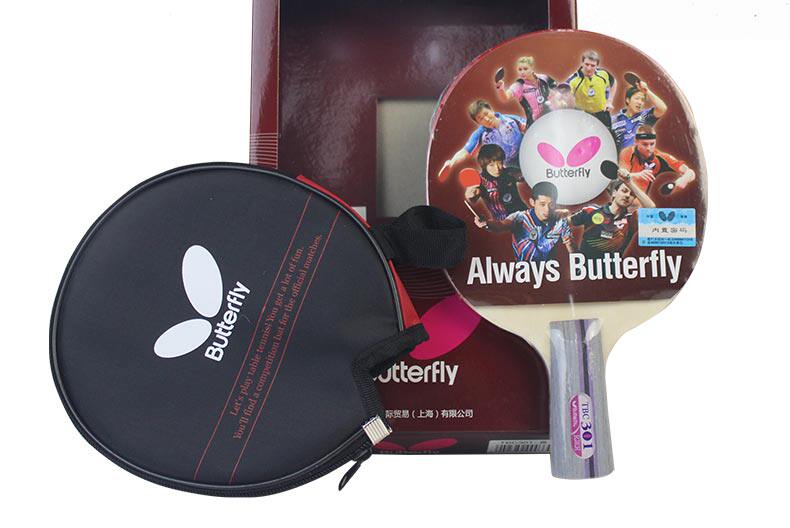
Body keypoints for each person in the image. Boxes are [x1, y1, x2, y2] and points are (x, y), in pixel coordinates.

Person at [474, 181, 573, 262]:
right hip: (525, 275)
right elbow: (501, 225)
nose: (547, 209)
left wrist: (571, 245)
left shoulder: (561, 220)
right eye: (542, 204)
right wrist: (487, 223)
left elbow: (573, 253)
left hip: (551, 274)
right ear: (532, 202)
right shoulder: (520, 218)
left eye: (551, 205)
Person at [569, 169, 656, 258]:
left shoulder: (631, 220)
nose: (627, 196)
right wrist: (571, 248)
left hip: (614, 267)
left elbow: (651, 208)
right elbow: (564, 224)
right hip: (587, 266)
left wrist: (629, 182)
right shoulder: (591, 210)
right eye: (624, 191)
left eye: (632, 195)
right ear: (614, 193)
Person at [438, 100, 526, 179]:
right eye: (481, 118)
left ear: (491, 110)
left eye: (486, 114)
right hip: (509, 164)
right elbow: (465, 151)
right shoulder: (480, 134)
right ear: (478, 122)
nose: (486, 119)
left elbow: (528, 125)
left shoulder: (510, 119)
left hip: (525, 150)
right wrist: (451, 163)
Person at [619, 125, 696, 192]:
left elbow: (690, 172)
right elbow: (621, 175)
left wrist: (684, 179)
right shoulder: (627, 152)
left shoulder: (661, 157)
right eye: (644, 144)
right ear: (636, 142)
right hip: (623, 191)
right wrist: (638, 175)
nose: (649, 148)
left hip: (641, 198)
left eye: (652, 144)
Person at [465, 144, 527, 221]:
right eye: (491, 165)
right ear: (484, 166)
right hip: (503, 222)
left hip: (524, 217)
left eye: (499, 163)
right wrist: (470, 195)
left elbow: (525, 176)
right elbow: (472, 200)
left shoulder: (510, 172)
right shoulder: (481, 181)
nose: (497, 168)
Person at [495, 56, 557, 126]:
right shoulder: (519, 85)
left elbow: (556, 90)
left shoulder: (544, 78)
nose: (522, 72)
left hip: (551, 116)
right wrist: (500, 88)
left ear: (532, 68)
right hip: (535, 123)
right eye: (520, 69)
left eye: (525, 69)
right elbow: (505, 98)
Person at [566, 50, 616, 128]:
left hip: (602, 114)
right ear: (582, 63)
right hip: (583, 117)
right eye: (586, 64)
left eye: (592, 65)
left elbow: (614, 82)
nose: (589, 68)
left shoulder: (603, 74)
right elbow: (563, 94)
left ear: (597, 66)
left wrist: (609, 101)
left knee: (607, 135)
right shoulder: (573, 80)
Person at [612, 80, 667, 150]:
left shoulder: (645, 116)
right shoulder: (613, 120)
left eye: (642, 100)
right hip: (619, 156)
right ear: (627, 100)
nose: (640, 102)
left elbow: (662, 108)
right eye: (637, 98)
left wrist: (647, 91)